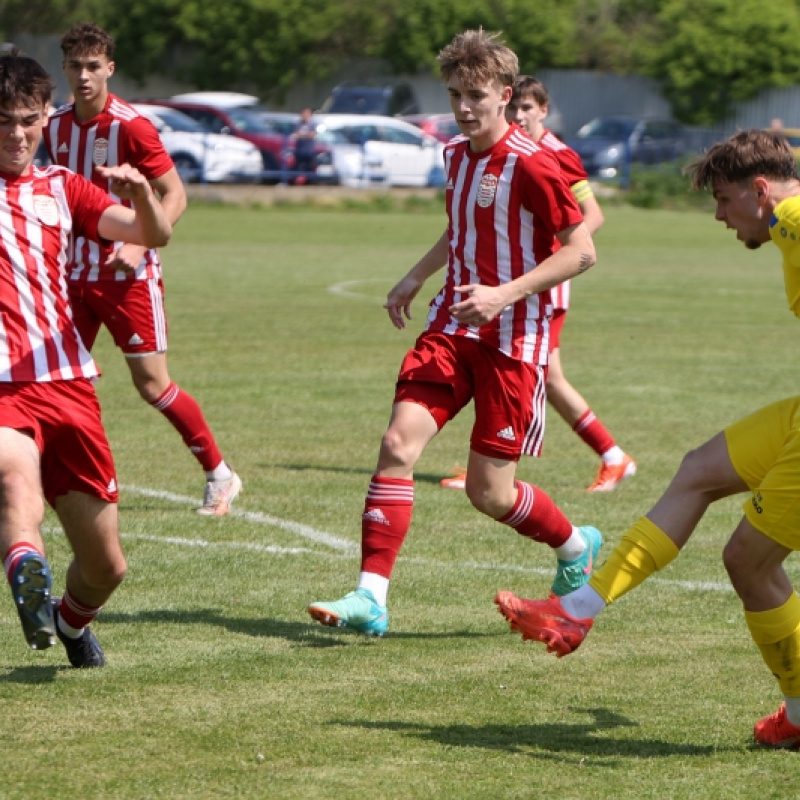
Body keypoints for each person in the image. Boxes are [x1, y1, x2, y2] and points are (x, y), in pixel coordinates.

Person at [495, 128, 800, 749]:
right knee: (697, 471)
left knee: (748, 559)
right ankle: (578, 610)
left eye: (722, 199)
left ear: (760, 191)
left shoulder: (793, 216)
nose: (718, 215)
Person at [307, 29, 600, 637]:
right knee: (397, 444)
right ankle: (371, 597)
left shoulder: (535, 163)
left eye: (474, 95)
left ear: (505, 93)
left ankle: (575, 547)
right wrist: (414, 276)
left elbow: (582, 251)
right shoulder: (455, 155)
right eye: (454, 94)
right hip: (450, 329)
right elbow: (459, 228)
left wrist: (505, 293)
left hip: (513, 340)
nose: (463, 108)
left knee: (491, 495)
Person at [0, 48, 172, 666]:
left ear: (47, 116)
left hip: (69, 385)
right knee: (15, 486)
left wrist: (142, 195)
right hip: (2, 391)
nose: (16, 134)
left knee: (106, 565)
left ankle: (69, 624)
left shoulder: (62, 187)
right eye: (2, 121)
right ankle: (26, 568)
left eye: (26, 120)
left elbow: (154, 234)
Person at [43, 22, 241, 516]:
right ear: (64, 69)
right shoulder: (54, 125)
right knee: (50, 380)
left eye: (93, 66)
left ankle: (220, 474)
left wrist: (136, 247)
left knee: (152, 385)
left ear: (109, 68)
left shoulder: (131, 126)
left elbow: (176, 195)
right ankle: (42, 477)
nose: (84, 76)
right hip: (71, 278)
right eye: (75, 66)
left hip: (128, 280)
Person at [441, 76, 636, 492]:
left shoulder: (554, 154)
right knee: (510, 366)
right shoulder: (495, 150)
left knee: (537, 374)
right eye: (517, 108)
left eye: (528, 108)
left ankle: (611, 455)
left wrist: (544, 262)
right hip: (508, 288)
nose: (519, 115)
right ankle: (493, 464)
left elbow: (591, 218)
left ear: (543, 110)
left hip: (539, 289)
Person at [293, 107, 317, 181]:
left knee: (309, 167)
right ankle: (297, 181)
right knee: (298, 167)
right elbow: (296, 134)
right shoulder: (298, 124)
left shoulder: (313, 124)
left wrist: (302, 135)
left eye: (307, 113)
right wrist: (306, 135)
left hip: (309, 150)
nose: (305, 115)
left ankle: (309, 181)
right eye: (304, 113)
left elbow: (312, 135)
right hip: (300, 150)